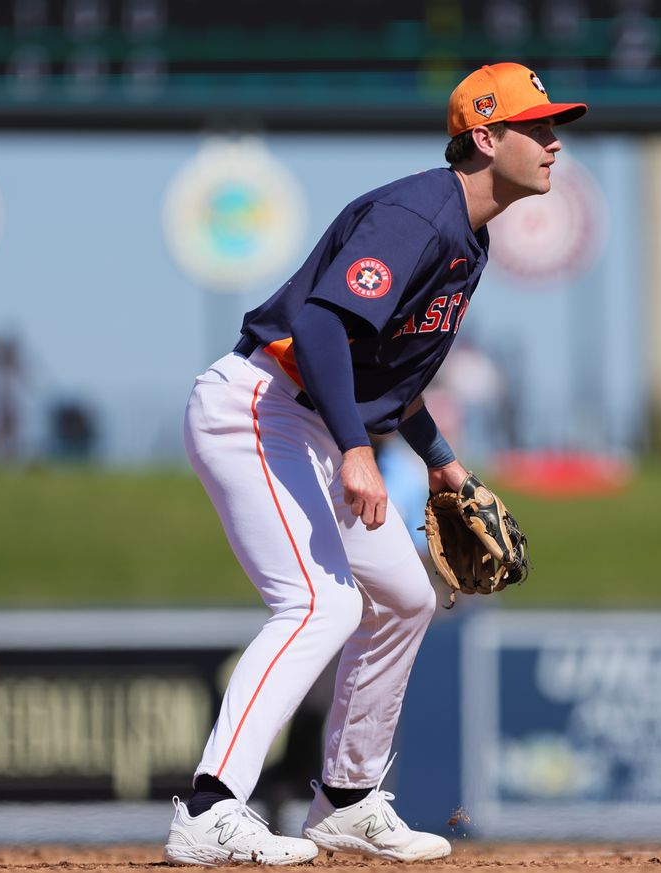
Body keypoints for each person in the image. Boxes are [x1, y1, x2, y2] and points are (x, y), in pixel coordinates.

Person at [166, 62, 585, 866]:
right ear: (486, 137)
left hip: (315, 423)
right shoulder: (422, 212)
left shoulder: (471, 237)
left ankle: (347, 798)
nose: (553, 140)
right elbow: (322, 327)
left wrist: (441, 463)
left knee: (400, 595)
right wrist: (359, 448)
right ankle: (209, 804)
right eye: (536, 126)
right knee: (317, 603)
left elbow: (390, 374)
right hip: (261, 406)